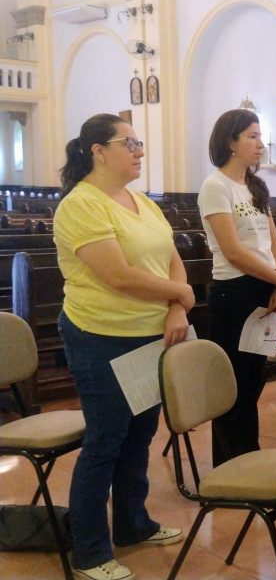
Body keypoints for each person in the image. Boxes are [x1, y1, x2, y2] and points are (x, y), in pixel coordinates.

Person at [54, 114, 189, 580]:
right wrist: (178, 295)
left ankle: (133, 524)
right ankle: (89, 551)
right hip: (100, 336)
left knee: (139, 435)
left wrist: (177, 304)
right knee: (106, 440)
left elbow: (172, 257)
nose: (139, 151)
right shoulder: (80, 205)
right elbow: (117, 275)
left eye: (139, 142)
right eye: (129, 143)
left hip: (150, 333)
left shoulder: (139, 201)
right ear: (97, 150)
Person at [198, 109, 276, 467]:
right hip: (234, 293)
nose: (260, 143)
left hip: (265, 288)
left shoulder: (256, 186)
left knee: (254, 380)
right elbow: (234, 252)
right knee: (233, 384)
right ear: (230, 142)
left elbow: (274, 242)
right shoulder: (215, 186)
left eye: (260, 135)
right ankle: (229, 463)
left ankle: (248, 456)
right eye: (252, 136)